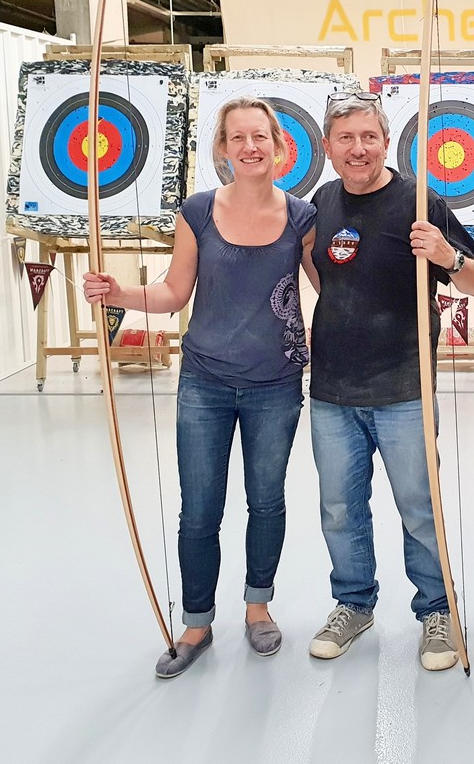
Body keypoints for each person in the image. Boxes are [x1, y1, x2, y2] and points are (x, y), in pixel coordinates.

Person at [84, 96, 317, 679]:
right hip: (206, 382)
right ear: (222, 148)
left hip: (276, 382)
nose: (249, 147)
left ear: (279, 145)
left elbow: (336, 289)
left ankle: (257, 607)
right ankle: (196, 621)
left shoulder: (302, 218)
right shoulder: (198, 211)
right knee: (199, 510)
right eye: (236, 137)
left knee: (266, 501)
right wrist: (117, 294)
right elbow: (171, 293)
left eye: (259, 136)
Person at [302, 91, 474, 671]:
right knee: (339, 507)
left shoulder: (419, 199)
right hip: (332, 386)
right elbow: (318, 266)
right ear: (328, 147)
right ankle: (353, 603)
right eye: (346, 139)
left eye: (369, 137)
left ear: (386, 141)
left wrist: (446, 257)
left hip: (406, 386)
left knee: (418, 506)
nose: (358, 150)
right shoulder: (322, 200)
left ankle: (437, 611)